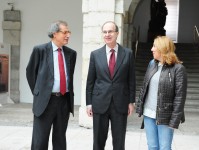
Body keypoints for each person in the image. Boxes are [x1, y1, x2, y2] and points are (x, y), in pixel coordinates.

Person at [26, 20, 77, 150]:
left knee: (60, 139)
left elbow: (69, 77)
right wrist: (39, 93)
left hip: (64, 101)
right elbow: (31, 72)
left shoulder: (71, 53)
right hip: (45, 102)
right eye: (65, 32)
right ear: (55, 34)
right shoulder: (40, 50)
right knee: (40, 140)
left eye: (68, 32)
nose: (68, 35)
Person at [86, 21, 136, 150]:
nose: (107, 34)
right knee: (98, 141)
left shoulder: (128, 54)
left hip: (120, 103)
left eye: (110, 31)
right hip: (99, 102)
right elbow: (90, 81)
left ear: (117, 33)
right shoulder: (95, 55)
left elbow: (131, 80)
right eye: (105, 32)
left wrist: (131, 102)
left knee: (119, 142)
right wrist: (89, 103)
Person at [136, 36, 187, 150]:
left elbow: (180, 97)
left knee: (164, 147)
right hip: (149, 113)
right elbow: (144, 86)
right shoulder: (152, 64)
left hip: (166, 116)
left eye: (154, 46)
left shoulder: (178, 69)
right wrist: (140, 106)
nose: (152, 49)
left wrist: (174, 120)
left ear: (163, 48)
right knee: (152, 146)